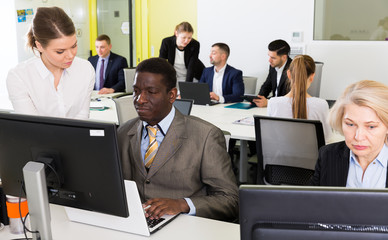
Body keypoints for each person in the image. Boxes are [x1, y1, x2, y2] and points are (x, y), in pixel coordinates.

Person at [117, 57, 239, 222]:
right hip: (136, 224)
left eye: (151, 92)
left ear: (172, 95)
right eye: (136, 91)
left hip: (186, 226)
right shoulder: (123, 132)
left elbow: (231, 200)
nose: (140, 99)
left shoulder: (206, 136)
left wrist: (183, 204)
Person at [6, 7, 95, 119]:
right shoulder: (19, 76)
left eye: (74, 46)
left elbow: (82, 118)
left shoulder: (86, 69)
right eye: (60, 51)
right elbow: (32, 126)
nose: (71, 55)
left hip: (76, 136)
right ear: (40, 46)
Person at [311, 80, 388, 188]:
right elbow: (313, 202)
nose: (358, 137)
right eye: (350, 124)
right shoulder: (328, 155)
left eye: (371, 126)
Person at [267, 55, 331, 142]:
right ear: (312, 77)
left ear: (289, 74)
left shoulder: (273, 103)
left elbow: (270, 137)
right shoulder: (321, 105)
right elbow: (326, 138)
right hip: (311, 155)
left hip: (280, 155)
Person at [253, 39, 292, 108]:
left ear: (284, 57)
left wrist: (269, 102)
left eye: (273, 58)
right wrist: (259, 98)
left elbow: (290, 98)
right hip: (274, 107)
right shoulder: (273, 66)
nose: (269, 60)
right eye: (269, 56)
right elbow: (267, 85)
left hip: (285, 108)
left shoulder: (294, 69)